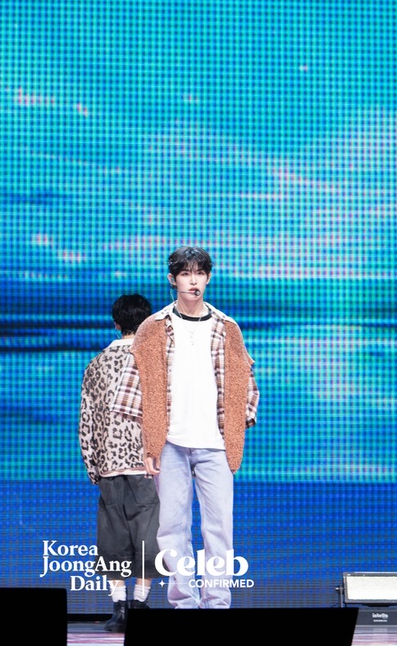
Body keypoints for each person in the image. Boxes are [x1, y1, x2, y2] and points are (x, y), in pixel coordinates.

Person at [115, 246, 259, 609]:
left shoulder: (227, 327)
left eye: (199, 273)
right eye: (185, 273)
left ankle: (218, 603)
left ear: (208, 278)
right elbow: (131, 390)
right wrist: (147, 446)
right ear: (173, 279)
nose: (193, 280)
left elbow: (248, 383)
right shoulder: (153, 327)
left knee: (219, 529)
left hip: (215, 444)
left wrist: (237, 425)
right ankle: (184, 604)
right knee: (171, 530)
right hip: (170, 444)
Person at [80, 293, 162, 631]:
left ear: (116, 324)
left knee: (113, 535)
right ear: (147, 324)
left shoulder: (96, 363)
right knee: (148, 533)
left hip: (109, 463)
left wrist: (92, 466)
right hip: (147, 462)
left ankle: (119, 609)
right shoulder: (154, 360)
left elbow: (86, 420)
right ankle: (140, 603)